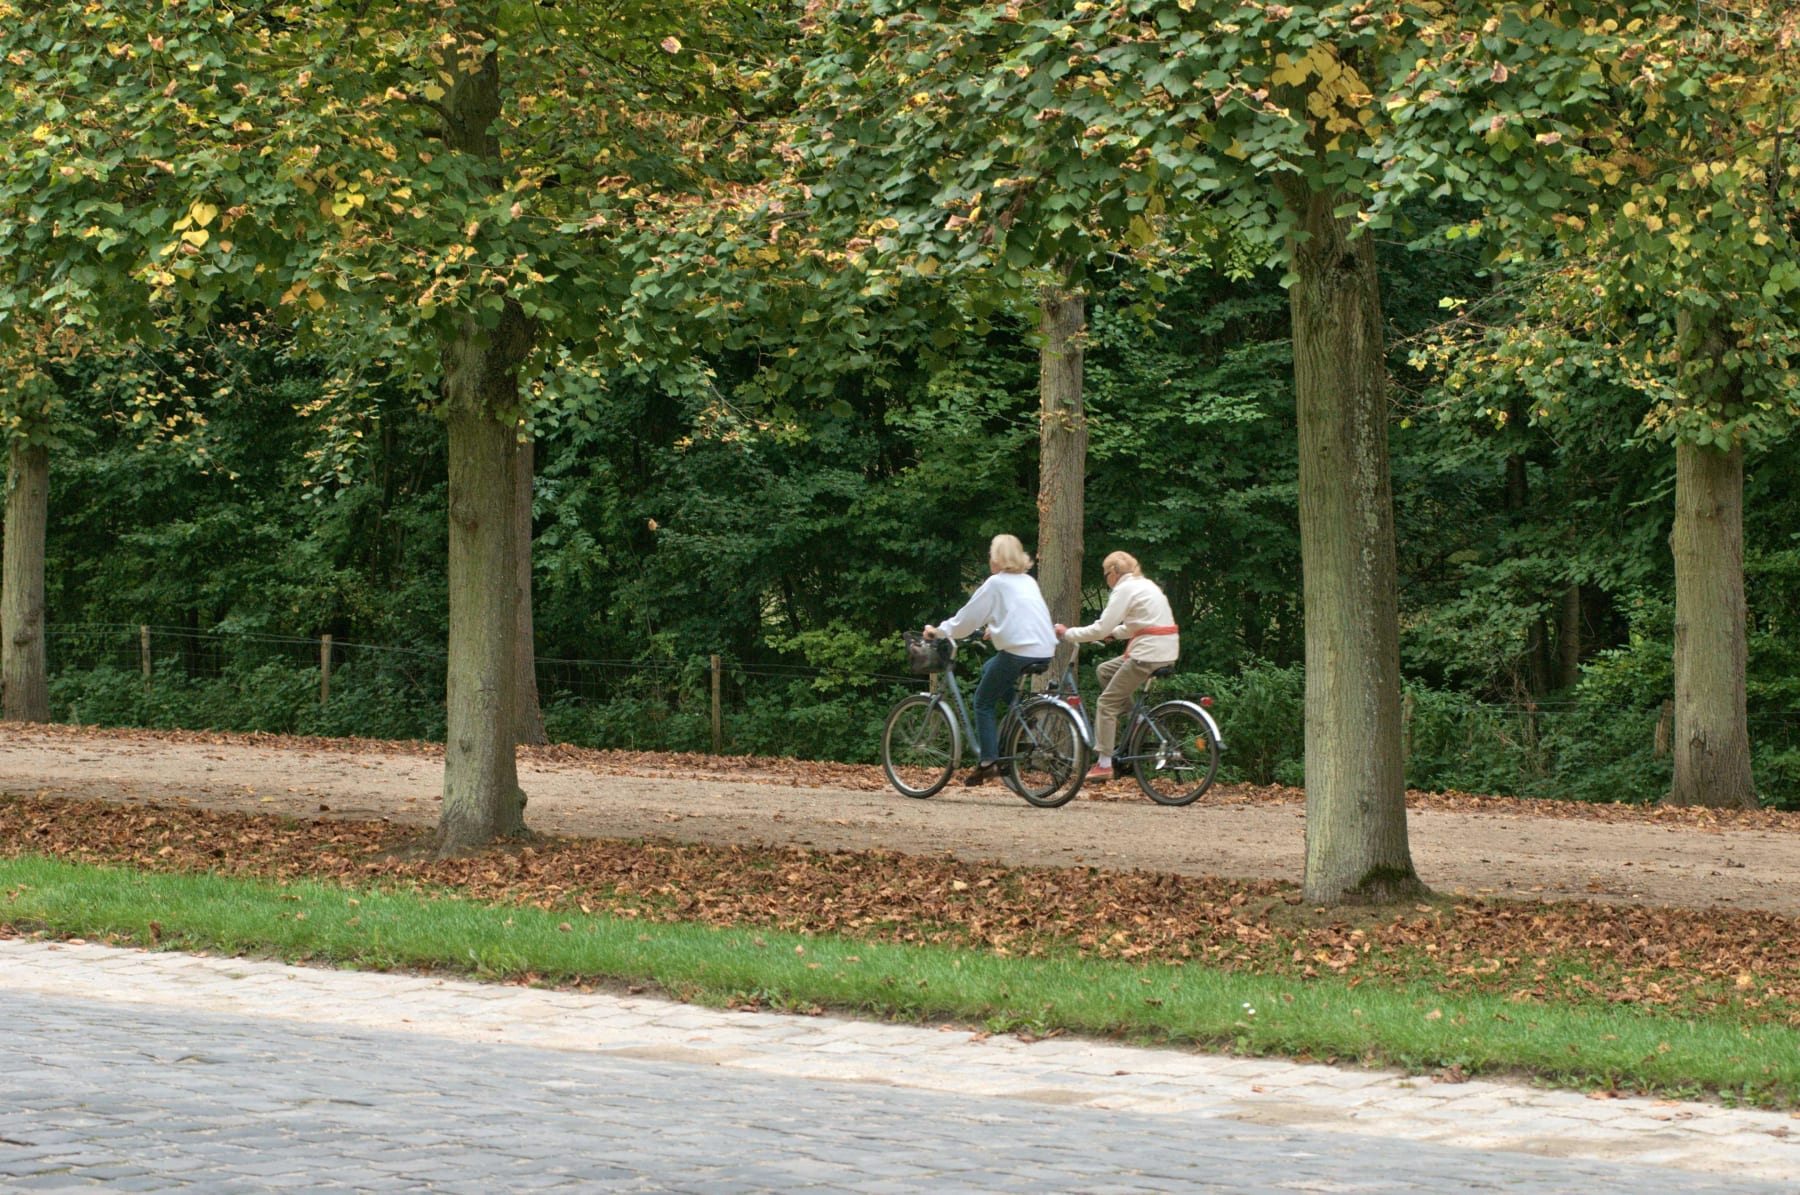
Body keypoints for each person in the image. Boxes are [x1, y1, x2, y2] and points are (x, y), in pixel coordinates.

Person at [924, 534, 1058, 786]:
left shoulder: (996, 583)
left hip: (1018, 652)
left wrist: (939, 631)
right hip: (1044, 648)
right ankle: (1022, 712)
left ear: (997, 557)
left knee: (982, 701)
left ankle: (988, 762)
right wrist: (995, 629)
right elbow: (1021, 615)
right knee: (989, 668)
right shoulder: (1028, 581)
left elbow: (966, 620)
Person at [1054, 551, 1178, 783]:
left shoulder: (1124, 589)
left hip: (1147, 653)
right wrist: (1115, 633)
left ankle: (1104, 763)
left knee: (1107, 703)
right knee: (1105, 670)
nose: (1106, 580)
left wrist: (1068, 633)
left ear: (1115, 572)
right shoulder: (1145, 585)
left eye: (1106, 574)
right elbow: (1137, 625)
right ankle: (1137, 718)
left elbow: (1100, 628)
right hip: (1164, 648)